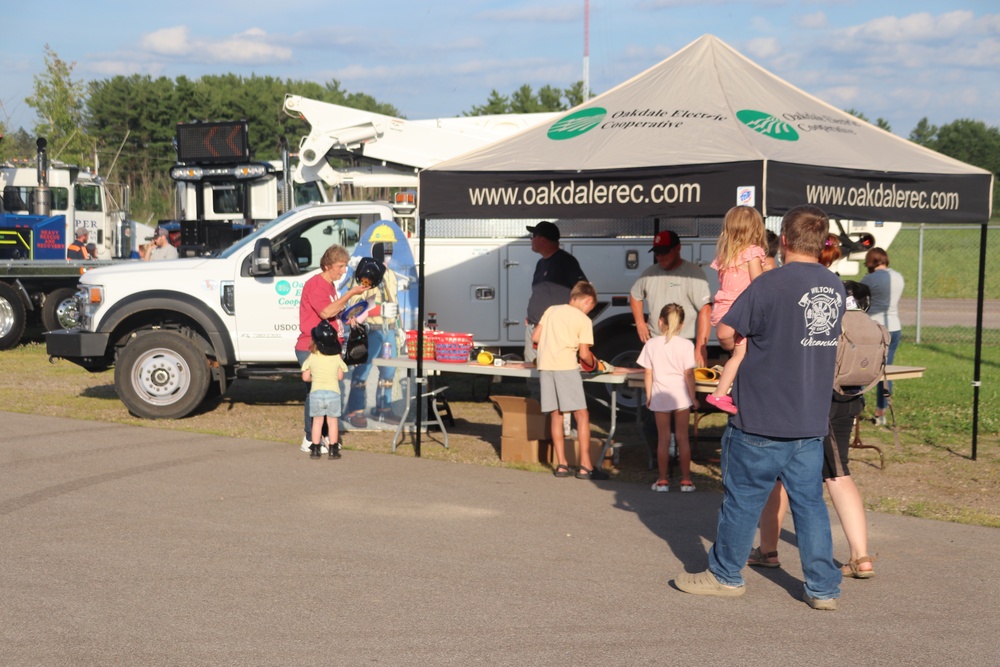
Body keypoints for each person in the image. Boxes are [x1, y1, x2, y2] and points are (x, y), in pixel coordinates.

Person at [673, 204, 845, 611]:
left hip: (762, 414)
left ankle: (724, 575)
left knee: (743, 498)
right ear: (822, 243)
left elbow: (728, 330)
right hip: (809, 418)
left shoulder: (769, 284)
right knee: (810, 506)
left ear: (782, 240)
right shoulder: (835, 287)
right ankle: (823, 588)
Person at [748, 280, 878, 579]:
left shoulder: (824, 322)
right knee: (788, 475)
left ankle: (860, 557)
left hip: (820, 405)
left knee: (836, 475)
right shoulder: (863, 322)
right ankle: (767, 548)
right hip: (849, 398)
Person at [531, 281, 609, 481]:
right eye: (590, 308)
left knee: (556, 415)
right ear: (588, 300)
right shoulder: (583, 320)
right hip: (566, 367)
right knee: (582, 414)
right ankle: (585, 466)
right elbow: (584, 354)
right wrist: (597, 364)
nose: (589, 311)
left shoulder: (551, 310)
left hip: (546, 366)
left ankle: (562, 464)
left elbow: (536, 336)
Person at [295, 244, 368, 452]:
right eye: (339, 266)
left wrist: (348, 317)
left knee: (325, 391)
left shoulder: (329, 287)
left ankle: (322, 436)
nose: (343, 271)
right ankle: (310, 439)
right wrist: (350, 293)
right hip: (312, 346)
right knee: (316, 392)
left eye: (345, 266)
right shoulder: (317, 285)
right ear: (327, 266)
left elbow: (333, 313)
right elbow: (326, 312)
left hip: (326, 348)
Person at [524, 220, 587, 437]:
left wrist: (572, 320)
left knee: (559, 378)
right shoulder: (541, 264)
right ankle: (540, 426)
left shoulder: (566, 261)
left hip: (556, 333)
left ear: (543, 239)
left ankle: (564, 427)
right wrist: (531, 314)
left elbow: (583, 292)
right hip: (534, 327)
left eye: (533, 236)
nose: (531, 240)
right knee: (534, 376)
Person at [705, 206, 768, 415]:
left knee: (736, 354)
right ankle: (720, 394)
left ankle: (726, 391)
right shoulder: (752, 253)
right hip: (741, 310)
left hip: (723, 309)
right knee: (741, 355)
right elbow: (758, 282)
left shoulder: (725, 254)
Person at [638, 303, 699, 493]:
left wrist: (649, 396)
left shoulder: (651, 344)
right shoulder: (687, 345)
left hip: (659, 395)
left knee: (663, 439)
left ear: (660, 322)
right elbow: (689, 375)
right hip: (681, 396)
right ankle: (686, 480)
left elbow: (648, 373)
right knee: (683, 438)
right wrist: (693, 397)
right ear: (681, 325)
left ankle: (662, 480)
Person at [344, 231, 403, 428]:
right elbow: (355, 304)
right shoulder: (366, 274)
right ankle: (355, 410)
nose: (387, 256)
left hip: (389, 329)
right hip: (371, 329)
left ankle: (383, 410)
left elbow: (395, 302)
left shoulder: (393, 275)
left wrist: (399, 327)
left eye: (389, 252)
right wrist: (378, 308)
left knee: (389, 372)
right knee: (362, 372)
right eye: (384, 251)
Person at [629, 230, 712, 366]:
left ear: (678, 248)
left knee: (686, 386)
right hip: (657, 342)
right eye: (657, 253)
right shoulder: (649, 274)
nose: (660, 257)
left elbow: (706, 310)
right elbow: (634, 295)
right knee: (655, 384)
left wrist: (700, 347)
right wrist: (640, 323)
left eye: (665, 251)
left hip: (685, 342)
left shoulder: (693, 274)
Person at [862, 247, 904, 426]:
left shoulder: (869, 279)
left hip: (874, 327)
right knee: (886, 372)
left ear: (870, 262)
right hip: (894, 326)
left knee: (862, 368)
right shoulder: (898, 277)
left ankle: (856, 406)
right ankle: (882, 411)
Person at [301, 320, 348, 459]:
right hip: (333, 393)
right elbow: (340, 376)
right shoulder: (336, 357)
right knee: (332, 422)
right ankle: (333, 450)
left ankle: (315, 449)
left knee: (317, 422)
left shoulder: (312, 357)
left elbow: (305, 377)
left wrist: (314, 378)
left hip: (316, 393)